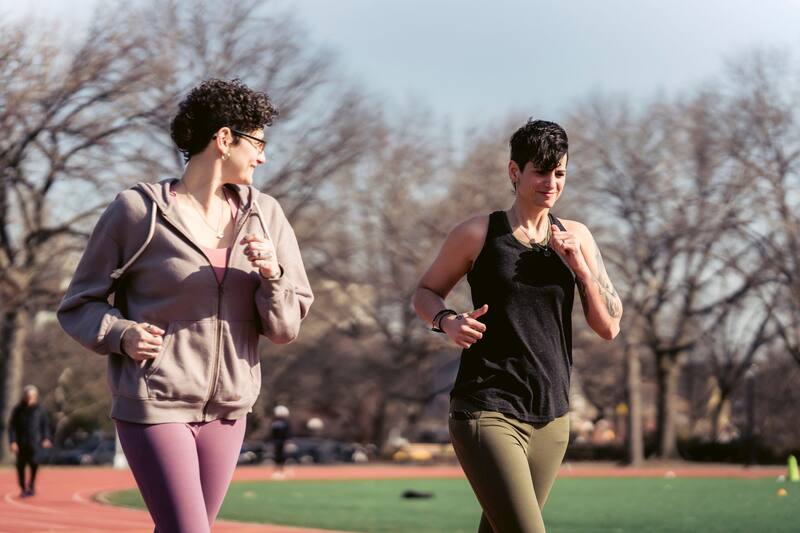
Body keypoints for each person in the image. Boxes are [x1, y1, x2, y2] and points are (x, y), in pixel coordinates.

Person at [57, 78, 313, 533]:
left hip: (229, 410)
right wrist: (121, 333)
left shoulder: (267, 214)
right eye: (258, 142)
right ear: (224, 138)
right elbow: (78, 304)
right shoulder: (138, 211)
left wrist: (273, 275)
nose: (263, 156)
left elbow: (284, 329)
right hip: (155, 402)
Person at [412, 119, 622, 533]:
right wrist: (446, 321)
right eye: (541, 171)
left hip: (553, 416)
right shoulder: (478, 234)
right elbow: (424, 292)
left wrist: (579, 267)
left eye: (559, 172)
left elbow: (609, 326)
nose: (551, 182)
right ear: (515, 172)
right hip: (487, 409)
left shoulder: (577, 235)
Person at [8, 385, 53, 498]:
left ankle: (31, 485)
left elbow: (45, 425)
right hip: (21, 443)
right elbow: (12, 427)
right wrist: (13, 442)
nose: (29, 399)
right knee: (21, 467)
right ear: (24, 397)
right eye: (27, 396)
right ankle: (23, 488)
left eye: (31, 396)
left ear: (35, 397)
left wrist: (46, 438)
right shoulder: (18, 410)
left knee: (34, 464)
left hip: (35, 443)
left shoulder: (40, 410)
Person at [269, 404, 291, 479]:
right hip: (277, 442)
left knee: (283, 457)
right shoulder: (275, 422)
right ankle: (277, 471)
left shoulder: (284, 423)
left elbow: (288, 434)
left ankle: (281, 471)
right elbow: (272, 434)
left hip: (281, 442)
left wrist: (287, 442)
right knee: (277, 457)